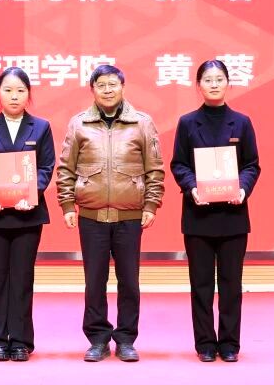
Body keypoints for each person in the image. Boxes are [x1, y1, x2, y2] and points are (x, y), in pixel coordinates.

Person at [57, 64, 164, 362]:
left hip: (130, 217)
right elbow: (65, 168)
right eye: (101, 85)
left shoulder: (142, 123)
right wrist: (67, 205)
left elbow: (154, 169)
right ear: (92, 89)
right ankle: (98, 339)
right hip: (91, 217)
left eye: (112, 84)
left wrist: (151, 204)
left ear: (123, 87)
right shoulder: (79, 124)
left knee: (129, 282)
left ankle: (126, 339)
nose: (107, 90)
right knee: (94, 282)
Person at [169, 59, 260, 363]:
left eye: (219, 79)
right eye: (207, 80)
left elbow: (251, 165)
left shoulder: (242, 122)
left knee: (232, 285)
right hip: (199, 216)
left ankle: (230, 343)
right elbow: (179, 164)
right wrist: (192, 187)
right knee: (202, 284)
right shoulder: (187, 123)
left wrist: (242, 189)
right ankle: (206, 343)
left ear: (228, 83)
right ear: (199, 86)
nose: (214, 84)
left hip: (233, 217)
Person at [0, 67, 55, 362]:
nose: (14, 96)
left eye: (20, 90)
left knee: (22, 278)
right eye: (8, 90)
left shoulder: (41, 127)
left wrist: (32, 194)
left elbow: (46, 167)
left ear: (29, 94)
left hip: (27, 215)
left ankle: (20, 340)